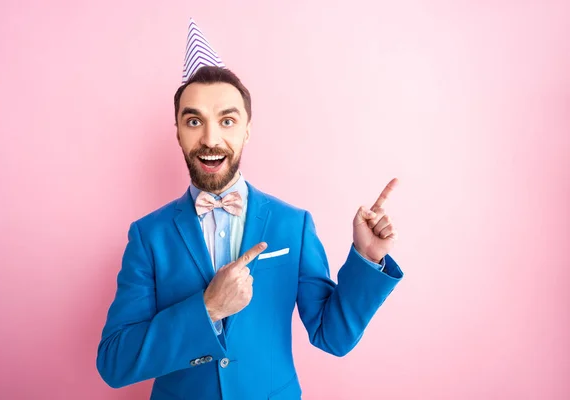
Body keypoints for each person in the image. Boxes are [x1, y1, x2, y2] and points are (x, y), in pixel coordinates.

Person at [96, 19, 404, 400]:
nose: (211, 139)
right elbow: (114, 361)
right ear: (177, 130)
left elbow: (333, 336)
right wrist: (206, 308)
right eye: (194, 121)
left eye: (227, 120)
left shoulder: (294, 225)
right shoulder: (147, 236)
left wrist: (367, 260)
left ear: (247, 129)